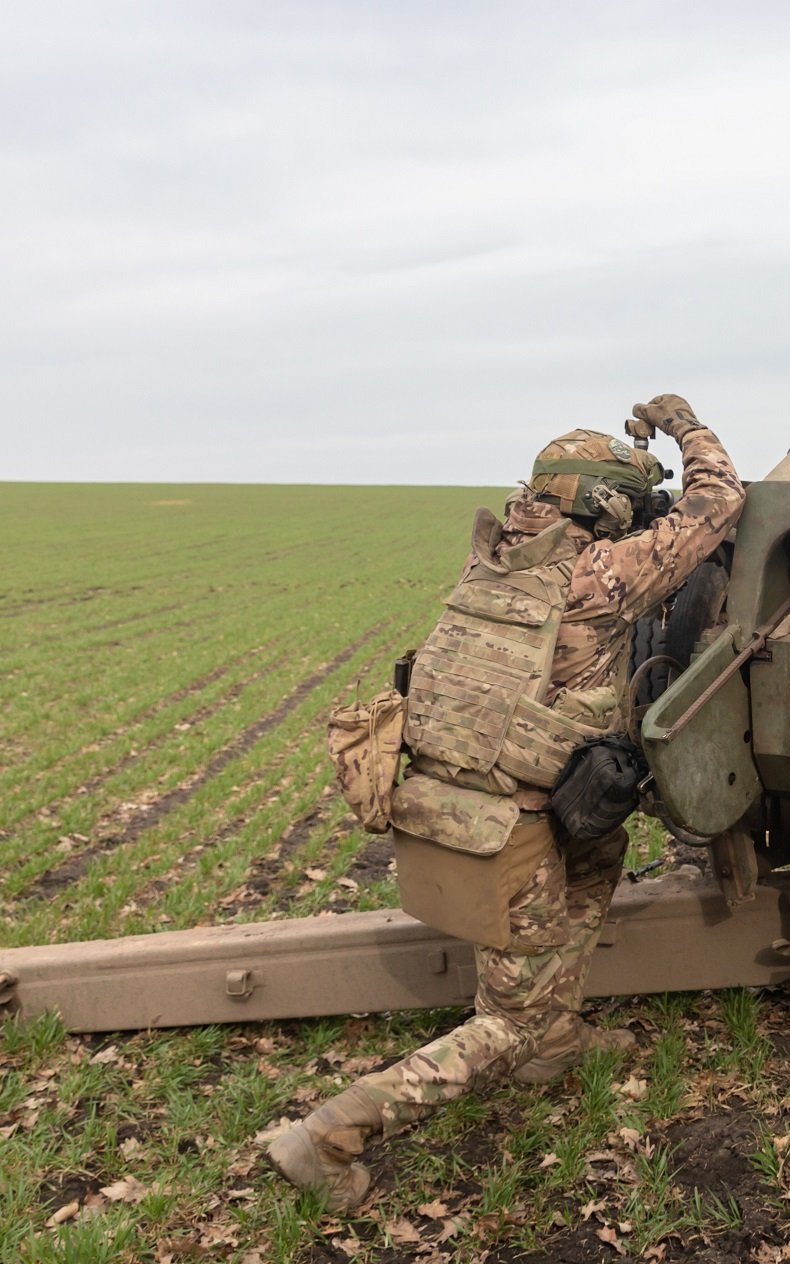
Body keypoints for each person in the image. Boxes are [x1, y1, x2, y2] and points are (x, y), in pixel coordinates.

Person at [269, 394, 744, 1212]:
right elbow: (719, 501)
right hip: (508, 826)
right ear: (605, 508)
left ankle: (554, 1044)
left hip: (455, 796)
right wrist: (682, 421)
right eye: (628, 507)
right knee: (506, 1019)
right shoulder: (600, 574)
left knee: (599, 851)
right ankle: (329, 1135)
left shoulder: (491, 554)